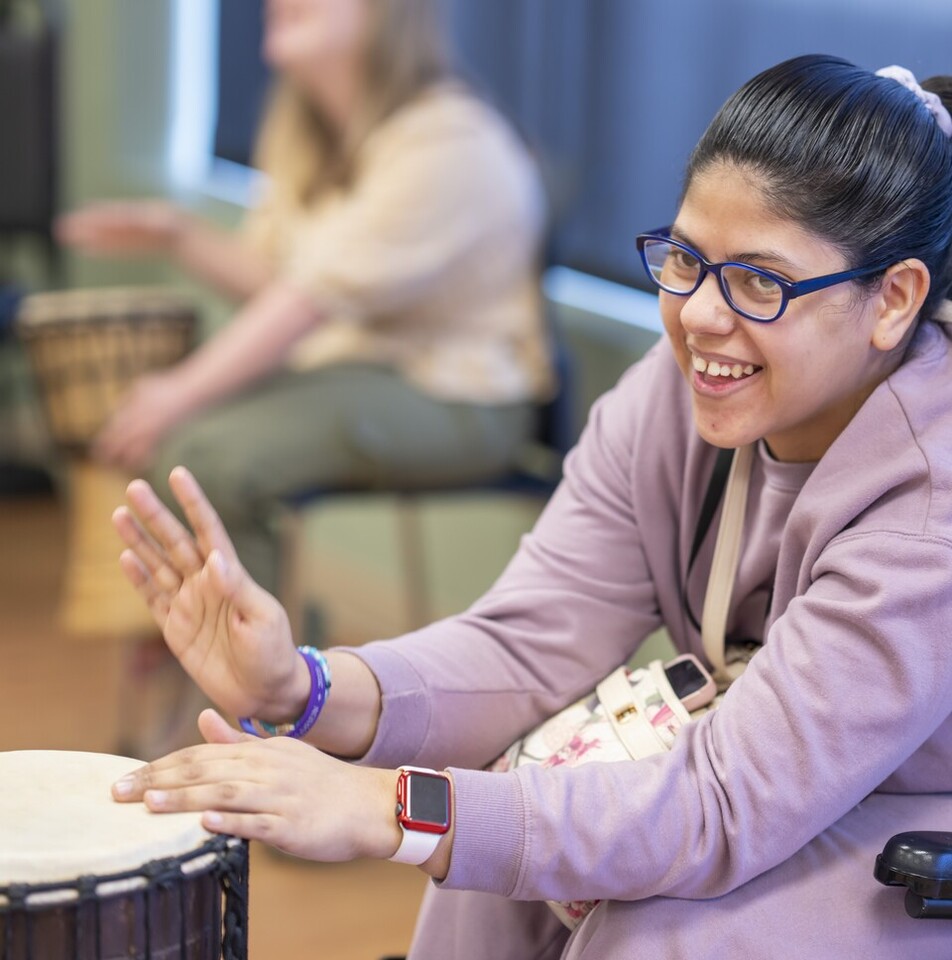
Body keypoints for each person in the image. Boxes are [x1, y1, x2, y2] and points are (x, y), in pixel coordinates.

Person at [107, 54, 952, 958]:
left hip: (905, 824)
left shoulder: (927, 505)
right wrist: (304, 687)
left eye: (759, 282)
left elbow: (718, 804)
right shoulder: (676, 398)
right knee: (507, 844)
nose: (701, 316)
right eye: (686, 259)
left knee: (652, 927)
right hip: (752, 782)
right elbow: (529, 640)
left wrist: (390, 809)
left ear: (893, 300)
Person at [57, 0, 553, 759]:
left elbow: (306, 302)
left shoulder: (451, 143)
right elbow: (280, 278)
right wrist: (178, 234)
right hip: (365, 371)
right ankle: (218, 680)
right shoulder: (305, 125)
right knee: (194, 448)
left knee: (219, 457)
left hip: (465, 394)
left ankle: (262, 727)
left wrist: (177, 390)